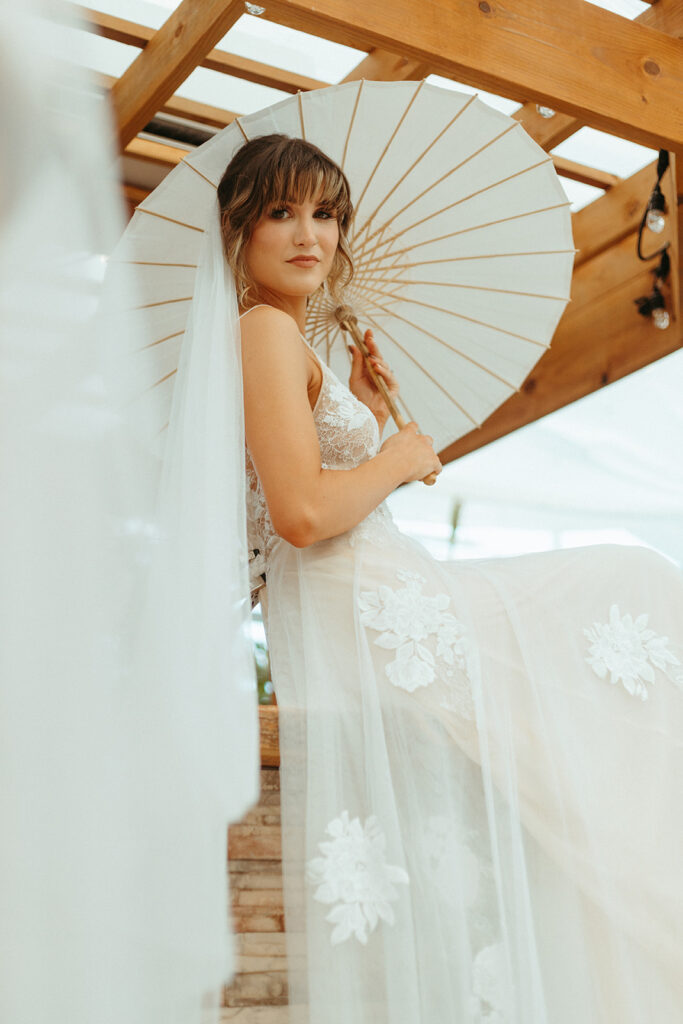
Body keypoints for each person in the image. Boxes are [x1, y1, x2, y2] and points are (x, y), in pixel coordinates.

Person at [214, 134, 683, 1023]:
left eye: (325, 213)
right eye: (281, 211)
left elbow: (310, 485)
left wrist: (354, 397)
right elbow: (302, 515)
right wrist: (392, 456)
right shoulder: (263, 330)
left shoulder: (288, 342)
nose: (309, 233)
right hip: (367, 609)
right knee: (632, 583)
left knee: (567, 775)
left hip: (379, 596)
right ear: (238, 231)